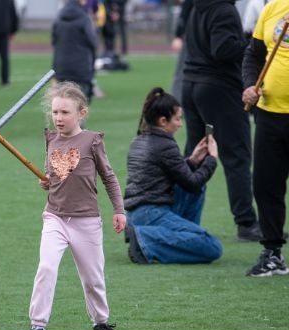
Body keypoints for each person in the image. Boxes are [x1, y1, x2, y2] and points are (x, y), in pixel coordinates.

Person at [28, 82, 125, 330]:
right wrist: (46, 182)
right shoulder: (50, 140)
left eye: (65, 113)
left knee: (93, 279)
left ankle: (100, 322)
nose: (58, 118)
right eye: (55, 112)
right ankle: (37, 326)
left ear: (82, 113)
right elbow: (54, 177)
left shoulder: (92, 141)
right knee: (46, 268)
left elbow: (109, 177)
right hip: (55, 218)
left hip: (87, 221)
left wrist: (119, 210)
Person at [182, 0, 262, 242]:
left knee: (195, 155)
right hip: (219, 87)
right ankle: (246, 223)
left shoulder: (198, 5)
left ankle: (181, 217)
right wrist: (253, 43)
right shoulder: (224, 9)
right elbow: (223, 49)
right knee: (237, 155)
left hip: (191, 84)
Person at [123, 86, 222, 264]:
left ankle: (180, 238)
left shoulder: (139, 139)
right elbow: (191, 183)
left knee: (198, 185)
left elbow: (171, 174)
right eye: (177, 118)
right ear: (163, 121)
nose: (180, 123)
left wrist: (192, 161)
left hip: (137, 213)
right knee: (212, 246)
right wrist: (212, 159)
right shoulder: (164, 145)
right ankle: (144, 239)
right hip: (149, 213)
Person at [241, 1, 289, 276]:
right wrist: (250, 84)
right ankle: (273, 252)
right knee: (266, 186)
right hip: (269, 115)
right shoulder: (272, 8)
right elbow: (253, 55)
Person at [52, 0, 98, 104]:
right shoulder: (84, 18)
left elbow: (55, 42)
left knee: (62, 109)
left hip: (61, 69)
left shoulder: (59, 16)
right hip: (81, 70)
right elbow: (93, 43)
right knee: (79, 110)